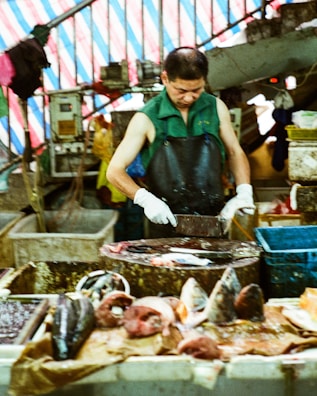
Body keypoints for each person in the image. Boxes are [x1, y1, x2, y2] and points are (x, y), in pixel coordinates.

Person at [106, 46, 255, 237]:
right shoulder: (147, 117)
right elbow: (114, 170)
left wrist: (244, 191)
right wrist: (144, 199)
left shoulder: (215, 107)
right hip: (165, 226)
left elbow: (235, 152)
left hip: (214, 223)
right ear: (165, 79)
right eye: (181, 90)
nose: (189, 97)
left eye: (197, 90)